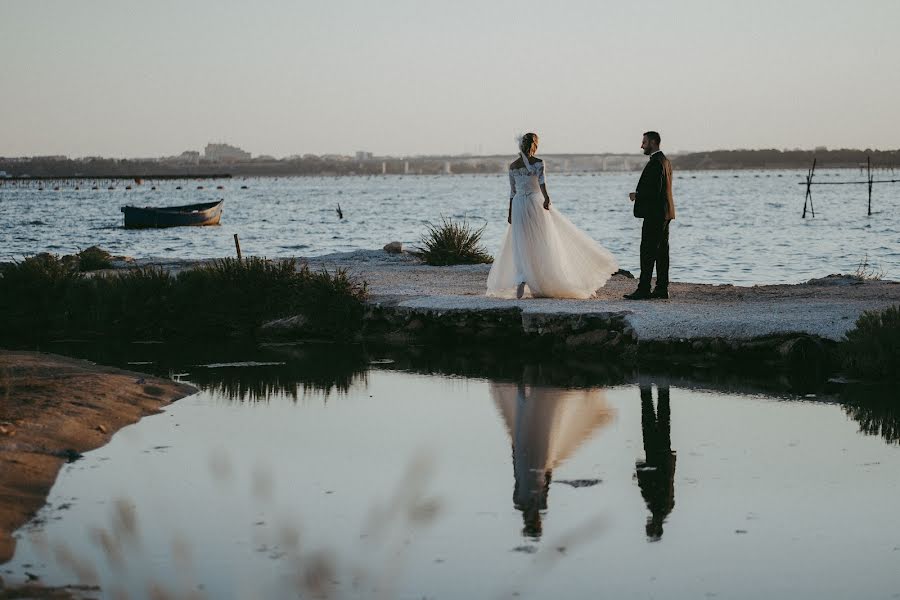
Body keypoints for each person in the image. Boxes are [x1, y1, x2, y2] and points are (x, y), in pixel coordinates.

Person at [486, 133, 618, 299]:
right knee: (543, 241)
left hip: (519, 204)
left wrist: (510, 213)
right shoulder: (538, 163)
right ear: (534, 146)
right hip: (534, 202)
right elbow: (542, 183)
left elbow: (512, 193)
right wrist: (547, 198)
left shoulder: (513, 166)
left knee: (521, 243)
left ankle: (522, 279)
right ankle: (541, 279)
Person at [625, 131, 676, 300]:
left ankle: (644, 288)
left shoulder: (655, 163)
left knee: (647, 251)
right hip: (665, 212)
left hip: (654, 214)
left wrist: (637, 196)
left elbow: (654, 190)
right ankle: (662, 288)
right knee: (662, 252)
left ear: (653, 142)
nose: (641, 146)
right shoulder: (666, 161)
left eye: (644, 142)